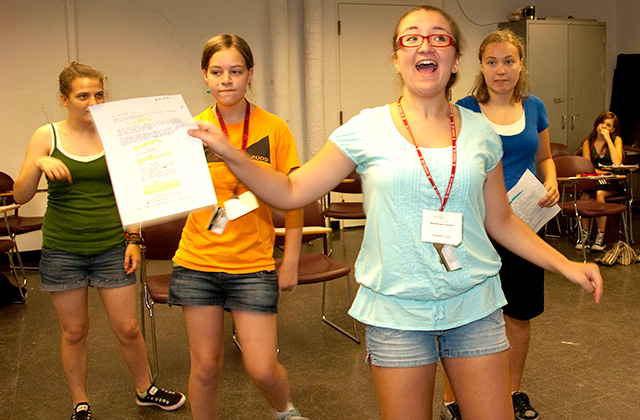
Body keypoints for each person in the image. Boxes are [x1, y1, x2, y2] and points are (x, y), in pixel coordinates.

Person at [186, 7, 603, 420]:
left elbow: (502, 220)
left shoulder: (481, 133)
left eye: (439, 37)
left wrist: (566, 264)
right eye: (412, 37)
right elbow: (293, 190)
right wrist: (233, 156)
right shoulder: (366, 129)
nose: (425, 44)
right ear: (396, 58)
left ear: (456, 59)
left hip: (474, 306)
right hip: (397, 312)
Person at [12, 62, 186, 420]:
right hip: (63, 248)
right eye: (82, 96)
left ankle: (145, 389)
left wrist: (133, 239)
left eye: (99, 94)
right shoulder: (47, 136)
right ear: (65, 99)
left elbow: (130, 191)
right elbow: (21, 194)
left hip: (111, 245)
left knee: (128, 327)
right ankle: (80, 401)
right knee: (74, 331)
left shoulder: (114, 134)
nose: (92, 101)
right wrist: (39, 162)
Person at [167, 34, 306, 420]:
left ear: (249, 75)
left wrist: (291, 259)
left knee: (261, 367)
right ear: (205, 76)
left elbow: (295, 196)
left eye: (235, 71)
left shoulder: (273, 128)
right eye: (217, 72)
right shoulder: (191, 130)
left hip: (252, 264)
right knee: (206, 367)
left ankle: (285, 409)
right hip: (197, 261)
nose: (226, 80)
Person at [439, 29, 558, 420]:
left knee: (518, 314)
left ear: (521, 63)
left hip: (524, 224)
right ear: (480, 66)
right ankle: (453, 399)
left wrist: (552, 179)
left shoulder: (535, 106)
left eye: (508, 61)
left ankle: (512, 391)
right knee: (467, 313)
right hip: (476, 226)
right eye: (492, 61)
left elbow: (544, 159)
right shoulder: (464, 109)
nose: (500, 70)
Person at [577, 111, 625, 251]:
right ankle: (584, 235)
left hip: (612, 181)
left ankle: (600, 236)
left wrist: (608, 139)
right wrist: (601, 172)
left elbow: (617, 163)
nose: (603, 126)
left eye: (608, 125)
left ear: (613, 129)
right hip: (595, 178)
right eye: (602, 123)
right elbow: (587, 166)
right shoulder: (588, 142)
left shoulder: (617, 140)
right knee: (584, 195)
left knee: (600, 194)